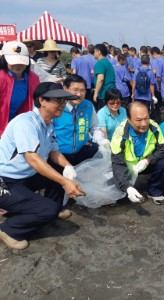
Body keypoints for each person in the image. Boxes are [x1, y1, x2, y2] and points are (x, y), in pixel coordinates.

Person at [0, 82, 85, 250]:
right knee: (48, 209)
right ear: (42, 101)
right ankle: (8, 229)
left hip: (25, 177)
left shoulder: (48, 124)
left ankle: (50, 208)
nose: (62, 105)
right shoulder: (25, 123)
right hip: (5, 181)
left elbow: (54, 152)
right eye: (58, 101)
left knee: (60, 169)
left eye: (64, 101)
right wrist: (64, 182)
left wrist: (68, 167)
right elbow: (33, 159)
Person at [111, 101, 164, 205]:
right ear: (129, 119)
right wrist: (127, 187)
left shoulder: (154, 127)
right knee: (117, 192)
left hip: (145, 163)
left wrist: (148, 160)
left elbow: (162, 148)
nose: (144, 123)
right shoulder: (120, 135)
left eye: (146, 118)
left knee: (162, 163)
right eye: (138, 120)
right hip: (127, 168)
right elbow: (117, 163)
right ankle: (128, 188)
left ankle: (154, 191)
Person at [53, 75, 107, 167]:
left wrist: (101, 140)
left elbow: (94, 127)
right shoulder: (56, 106)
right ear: (65, 88)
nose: (79, 94)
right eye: (75, 90)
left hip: (82, 151)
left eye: (82, 91)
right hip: (59, 155)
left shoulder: (88, 105)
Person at [0, 41, 40, 137]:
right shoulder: (1, 78)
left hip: (19, 126)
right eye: (13, 61)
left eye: (21, 61)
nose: (17, 64)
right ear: (4, 60)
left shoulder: (32, 78)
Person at [93, 43, 116, 110]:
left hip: (103, 94)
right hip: (111, 93)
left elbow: (100, 78)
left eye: (94, 52)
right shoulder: (108, 62)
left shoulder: (100, 63)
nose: (94, 54)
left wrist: (96, 93)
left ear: (99, 52)